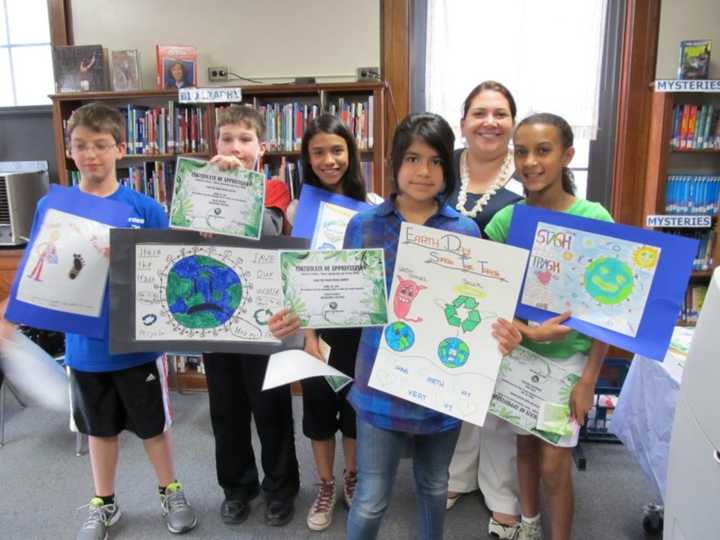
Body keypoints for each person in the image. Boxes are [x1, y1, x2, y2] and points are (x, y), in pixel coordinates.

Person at [0, 102, 198, 540]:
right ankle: (103, 502)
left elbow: (166, 271)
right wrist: (11, 314)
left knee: (153, 426)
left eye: (101, 145)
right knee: (99, 429)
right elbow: (38, 267)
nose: (91, 155)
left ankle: (171, 490)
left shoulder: (144, 208)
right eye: (81, 146)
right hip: (85, 347)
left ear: (120, 149)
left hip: (137, 343)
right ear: (70, 150)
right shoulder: (55, 205)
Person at [341, 113, 521, 540]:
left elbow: (479, 304)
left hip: (443, 383)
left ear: (448, 169)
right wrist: (307, 316)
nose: (423, 171)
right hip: (379, 382)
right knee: (371, 496)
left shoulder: (464, 230)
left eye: (436, 161)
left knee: (434, 485)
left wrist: (503, 331)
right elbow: (344, 302)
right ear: (394, 164)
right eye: (412, 158)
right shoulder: (365, 225)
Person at [484, 112, 611, 540]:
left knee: (555, 464)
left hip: (571, 357)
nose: (530, 162)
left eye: (543, 151)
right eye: (521, 152)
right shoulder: (506, 222)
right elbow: (493, 298)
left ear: (567, 156)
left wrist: (589, 378)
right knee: (524, 445)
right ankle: (530, 524)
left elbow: (609, 311)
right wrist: (531, 332)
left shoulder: (593, 217)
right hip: (520, 353)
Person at [268, 113, 381, 532]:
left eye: (337, 150)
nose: (329, 160)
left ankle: (352, 476)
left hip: (359, 330)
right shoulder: (300, 208)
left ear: (351, 152)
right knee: (318, 412)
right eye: (318, 152)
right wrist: (309, 337)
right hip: (317, 329)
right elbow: (297, 273)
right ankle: (326, 483)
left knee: (353, 410)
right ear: (307, 158)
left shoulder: (373, 206)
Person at [202, 104, 300, 529]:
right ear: (216, 144)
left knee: (271, 408)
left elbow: (268, 233)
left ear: (262, 148)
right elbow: (184, 235)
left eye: (245, 140)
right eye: (227, 139)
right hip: (216, 318)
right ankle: (237, 487)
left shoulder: (274, 189)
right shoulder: (197, 185)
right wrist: (207, 186)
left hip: (263, 322)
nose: (235, 147)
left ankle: (280, 488)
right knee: (226, 411)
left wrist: (233, 185)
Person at [445, 80, 524, 539]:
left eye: (500, 113)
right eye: (479, 113)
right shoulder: (441, 165)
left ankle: (502, 495)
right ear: (463, 123)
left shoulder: (529, 170)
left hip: (503, 305)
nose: (489, 122)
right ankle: (455, 477)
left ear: (512, 124)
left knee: (497, 405)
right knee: (453, 392)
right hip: (446, 301)